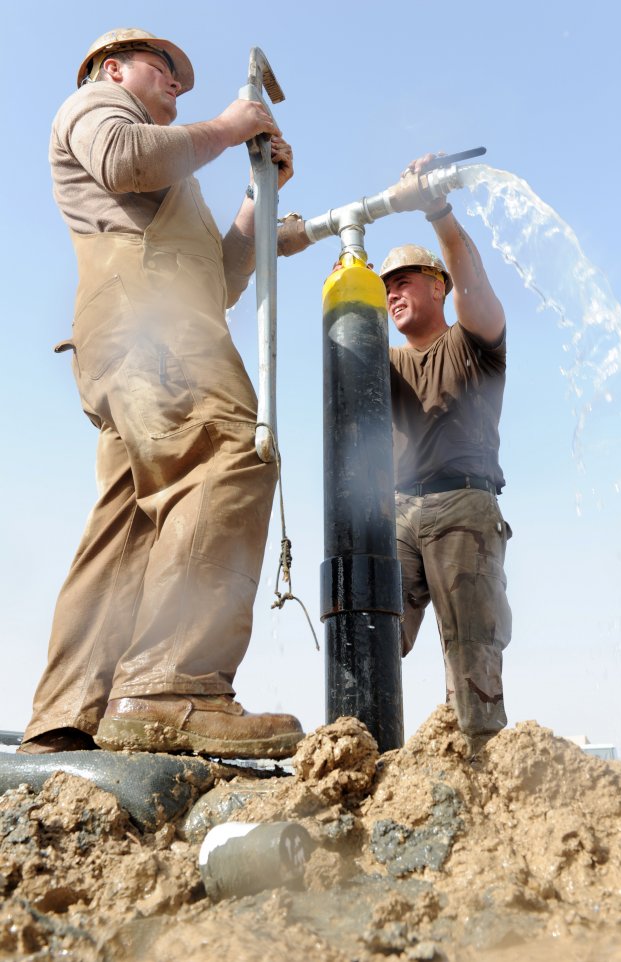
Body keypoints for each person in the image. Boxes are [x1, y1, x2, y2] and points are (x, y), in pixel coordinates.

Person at [18, 28, 303, 759]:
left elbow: (220, 277)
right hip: (151, 329)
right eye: (163, 68)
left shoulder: (180, 179)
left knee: (135, 526)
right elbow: (123, 161)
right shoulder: (96, 106)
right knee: (229, 454)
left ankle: (68, 715)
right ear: (114, 68)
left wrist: (256, 204)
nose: (178, 82)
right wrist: (231, 126)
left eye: (182, 76)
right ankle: (174, 688)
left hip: (153, 332)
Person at [380, 154, 512, 759]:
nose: (393, 293)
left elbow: (476, 285)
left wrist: (438, 211)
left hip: (464, 503)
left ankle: (483, 760)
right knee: (373, 628)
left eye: (403, 279)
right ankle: (369, 752)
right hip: (402, 509)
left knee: (469, 644)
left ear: (438, 286)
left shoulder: (473, 343)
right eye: (385, 288)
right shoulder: (383, 362)